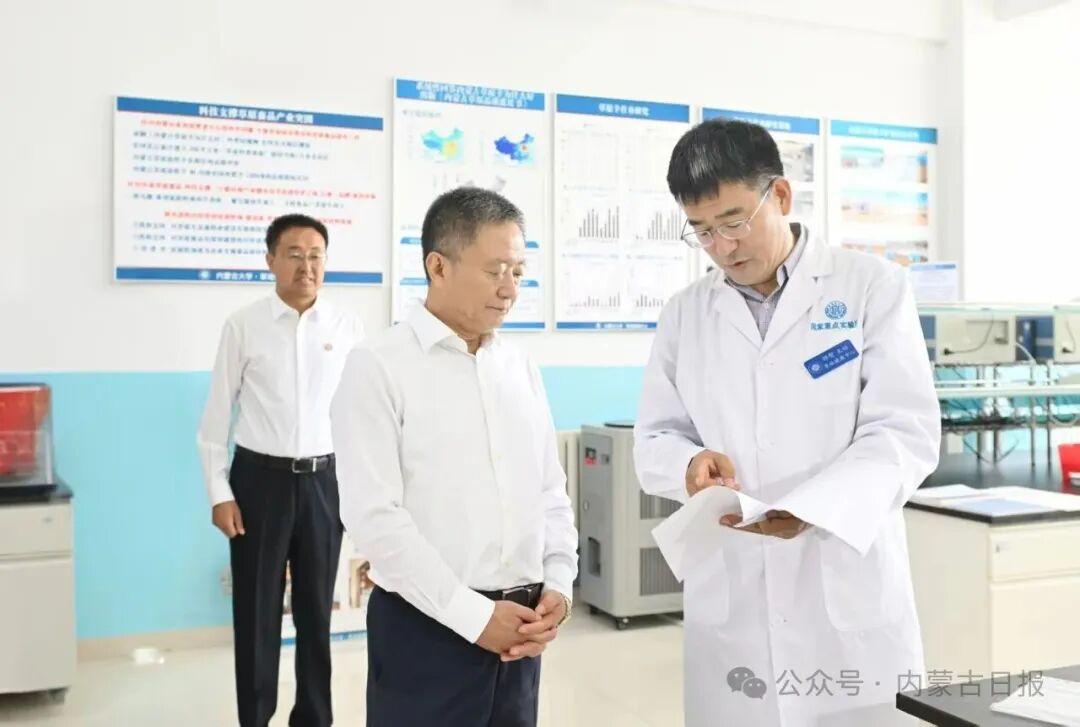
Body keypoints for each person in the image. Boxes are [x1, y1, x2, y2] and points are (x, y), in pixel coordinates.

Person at [633, 119, 941, 727]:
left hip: (845, 587)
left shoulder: (870, 288)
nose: (722, 246)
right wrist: (689, 464)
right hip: (735, 597)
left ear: (779, 195)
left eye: (734, 221)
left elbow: (903, 431)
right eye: (701, 230)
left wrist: (815, 507)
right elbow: (655, 437)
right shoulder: (685, 314)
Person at [330, 187, 578, 727]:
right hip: (427, 629)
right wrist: (474, 617)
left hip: (521, 630)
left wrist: (559, 585)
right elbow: (375, 518)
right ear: (437, 266)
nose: (509, 289)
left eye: (518, 271)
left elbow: (549, 492)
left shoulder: (519, 367)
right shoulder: (378, 366)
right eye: (495, 271)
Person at [197, 213, 364, 727]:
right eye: (294, 255)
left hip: (324, 483)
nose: (306, 266)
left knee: (317, 613)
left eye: (316, 256)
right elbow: (214, 420)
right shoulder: (243, 326)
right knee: (256, 611)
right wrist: (219, 493)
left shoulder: (346, 327)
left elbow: (361, 414)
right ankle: (255, 718)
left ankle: (314, 717)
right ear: (270, 260)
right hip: (258, 484)